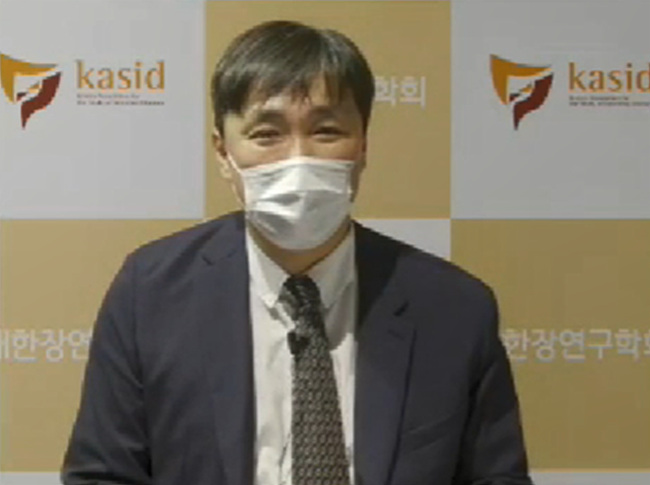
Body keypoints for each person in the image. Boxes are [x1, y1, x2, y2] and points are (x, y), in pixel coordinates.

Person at [61, 20, 534, 485]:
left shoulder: (454, 308)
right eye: (266, 134)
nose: (298, 157)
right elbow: (103, 475)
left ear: (363, 147)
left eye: (326, 131)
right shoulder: (150, 293)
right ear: (223, 153)